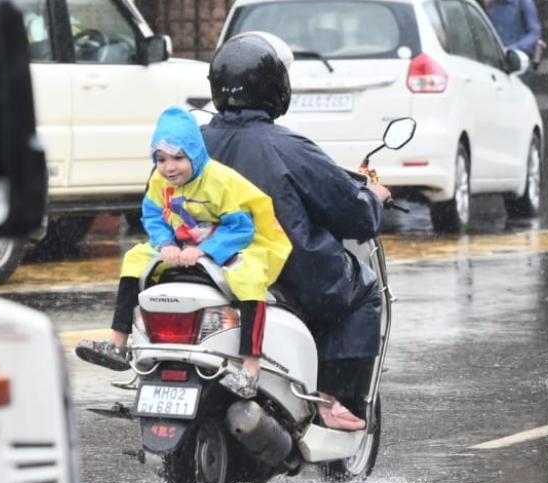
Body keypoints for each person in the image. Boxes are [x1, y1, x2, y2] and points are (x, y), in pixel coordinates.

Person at [201, 31, 390, 431]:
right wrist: (373, 197)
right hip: (287, 274)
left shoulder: (190, 145)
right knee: (364, 289)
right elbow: (353, 215)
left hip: (205, 269)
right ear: (275, 88)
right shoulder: (288, 147)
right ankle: (332, 400)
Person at [75, 105, 292, 398]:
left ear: (195, 153)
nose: (169, 167)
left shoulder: (220, 181)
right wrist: (165, 243)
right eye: (161, 159)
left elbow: (242, 228)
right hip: (181, 242)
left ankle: (249, 369)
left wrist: (204, 251)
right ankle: (118, 343)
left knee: (249, 275)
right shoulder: (159, 181)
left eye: (178, 157)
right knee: (134, 259)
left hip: (232, 242)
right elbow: (152, 213)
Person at [485, 0, 544, 69]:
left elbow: (535, 33)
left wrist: (513, 48)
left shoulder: (523, 3)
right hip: (499, 58)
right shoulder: (492, 5)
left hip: (521, 59)